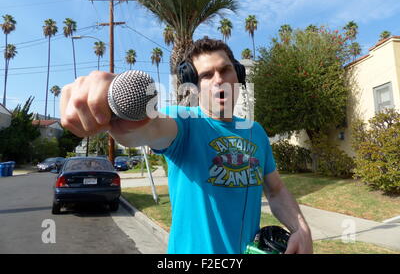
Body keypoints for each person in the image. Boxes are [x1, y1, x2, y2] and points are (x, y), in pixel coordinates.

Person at [60, 37, 313, 254]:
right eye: (206, 75)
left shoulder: (255, 132)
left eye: (224, 70)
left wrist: (300, 228)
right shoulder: (184, 122)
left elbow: (277, 190)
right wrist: (119, 111)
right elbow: (151, 129)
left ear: (239, 74)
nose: (218, 80)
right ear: (193, 85)